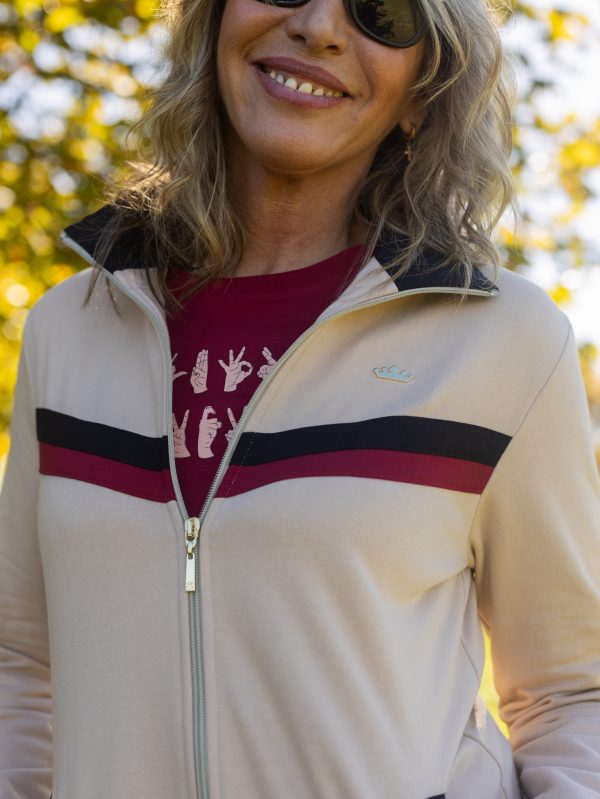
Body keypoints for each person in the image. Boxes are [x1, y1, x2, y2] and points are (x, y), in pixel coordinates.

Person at [1, 0, 599, 796]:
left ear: (422, 88)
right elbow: (21, 665)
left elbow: (573, 690)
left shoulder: (503, 340)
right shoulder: (71, 327)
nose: (319, 26)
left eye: (380, 11)